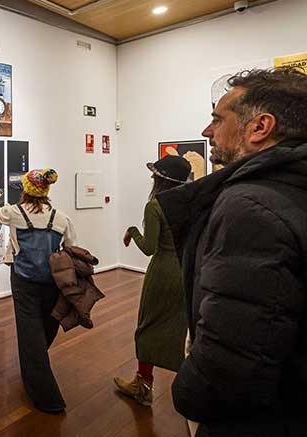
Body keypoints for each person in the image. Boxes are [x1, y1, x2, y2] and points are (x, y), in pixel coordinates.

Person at [156, 68, 307, 435]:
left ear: (259, 127)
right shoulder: (291, 189)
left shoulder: (250, 206)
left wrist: (186, 393)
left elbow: (229, 367)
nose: (207, 131)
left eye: (217, 119)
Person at [0, 168, 77, 413]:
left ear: (26, 189)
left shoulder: (15, 213)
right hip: (52, 281)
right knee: (48, 325)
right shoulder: (60, 218)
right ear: (46, 190)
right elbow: (72, 246)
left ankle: (48, 398)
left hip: (23, 281)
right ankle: (35, 360)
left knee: (29, 333)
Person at [114, 155, 190, 406]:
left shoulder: (155, 205)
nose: (151, 177)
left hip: (163, 272)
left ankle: (143, 385)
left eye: (155, 174)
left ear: (162, 180)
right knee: (180, 328)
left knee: (147, 325)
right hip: (185, 270)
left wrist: (132, 231)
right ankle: (189, 385)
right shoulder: (190, 202)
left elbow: (149, 248)